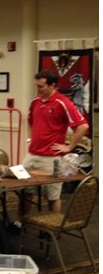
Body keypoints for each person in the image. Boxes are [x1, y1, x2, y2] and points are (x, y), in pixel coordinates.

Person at [22, 69, 89, 215]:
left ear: (52, 85)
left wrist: (69, 147)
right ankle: (20, 222)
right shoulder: (35, 101)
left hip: (51, 157)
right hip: (32, 155)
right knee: (25, 192)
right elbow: (29, 121)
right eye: (36, 86)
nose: (37, 89)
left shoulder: (62, 102)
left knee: (52, 196)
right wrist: (29, 139)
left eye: (41, 86)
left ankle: (53, 224)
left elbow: (83, 126)